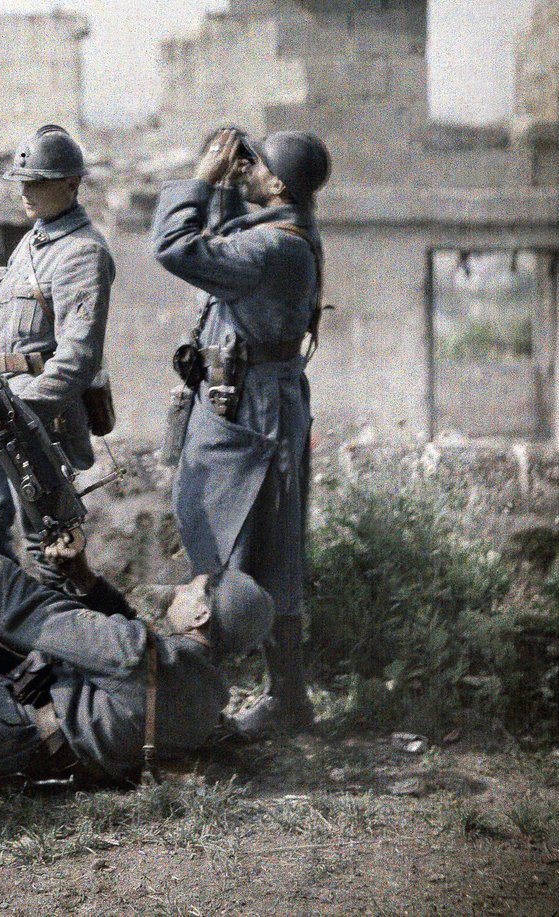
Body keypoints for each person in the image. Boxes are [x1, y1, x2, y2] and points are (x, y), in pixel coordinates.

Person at [0, 484, 275, 784]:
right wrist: (82, 577)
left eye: (192, 587)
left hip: (0, 726)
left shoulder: (133, 654)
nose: (179, 589)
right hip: (40, 758)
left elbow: (27, 607)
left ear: (201, 614)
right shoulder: (208, 697)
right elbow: (140, 657)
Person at [151, 128, 331, 738]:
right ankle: (284, 696)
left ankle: (251, 700)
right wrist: (228, 188)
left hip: (254, 415)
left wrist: (201, 179)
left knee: (254, 549)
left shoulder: (277, 249)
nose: (246, 170)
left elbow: (178, 248)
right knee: (256, 545)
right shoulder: (287, 229)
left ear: (278, 185)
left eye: (255, 167)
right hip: (258, 401)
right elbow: (228, 244)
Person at [0, 124, 115, 586]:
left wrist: (22, 411)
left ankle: (63, 639)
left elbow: (78, 357)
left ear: (71, 184)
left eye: (39, 182)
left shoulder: (82, 253)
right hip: (2, 405)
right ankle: (9, 628)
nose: (26, 192)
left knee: (46, 538)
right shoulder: (34, 241)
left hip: (41, 417)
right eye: (22, 182)